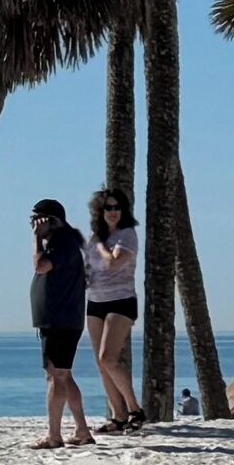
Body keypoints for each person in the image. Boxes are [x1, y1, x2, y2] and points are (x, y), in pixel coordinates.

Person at [30, 197, 95, 449]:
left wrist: (36, 239)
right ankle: (82, 430)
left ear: (50, 221)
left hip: (60, 320)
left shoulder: (62, 243)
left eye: (37, 220)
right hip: (58, 319)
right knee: (63, 375)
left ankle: (54, 435)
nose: (34, 226)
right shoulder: (64, 243)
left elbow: (40, 266)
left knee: (56, 376)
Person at [84, 185, 144, 431]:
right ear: (99, 210)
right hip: (95, 301)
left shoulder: (126, 234)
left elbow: (112, 264)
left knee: (108, 358)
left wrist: (99, 245)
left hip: (120, 301)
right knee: (100, 362)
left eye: (117, 207)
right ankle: (118, 416)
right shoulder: (96, 238)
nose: (113, 211)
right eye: (108, 207)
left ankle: (135, 410)